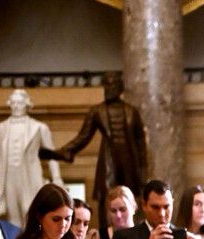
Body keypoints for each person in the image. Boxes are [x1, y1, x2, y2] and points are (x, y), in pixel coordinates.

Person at [40, 72, 148, 229]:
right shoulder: (97, 111)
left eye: (112, 84)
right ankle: (105, 236)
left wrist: (143, 172)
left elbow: (141, 144)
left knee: (129, 198)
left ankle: (134, 233)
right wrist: (63, 152)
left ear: (120, 87)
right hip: (108, 161)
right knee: (107, 199)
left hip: (129, 161)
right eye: (106, 84)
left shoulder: (132, 111)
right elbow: (83, 137)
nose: (109, 88)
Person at [0, 89, 62, 227]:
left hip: (30, 176)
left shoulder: (39, 127)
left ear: (27, 104)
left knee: (31, 210)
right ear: (9, 104)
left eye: (20, 102)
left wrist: (57, 178)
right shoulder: (0, 128)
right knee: (12, 214)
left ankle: (31, 237)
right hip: (8, 176)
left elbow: (51, 156)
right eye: (13, 102)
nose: (16, 106)